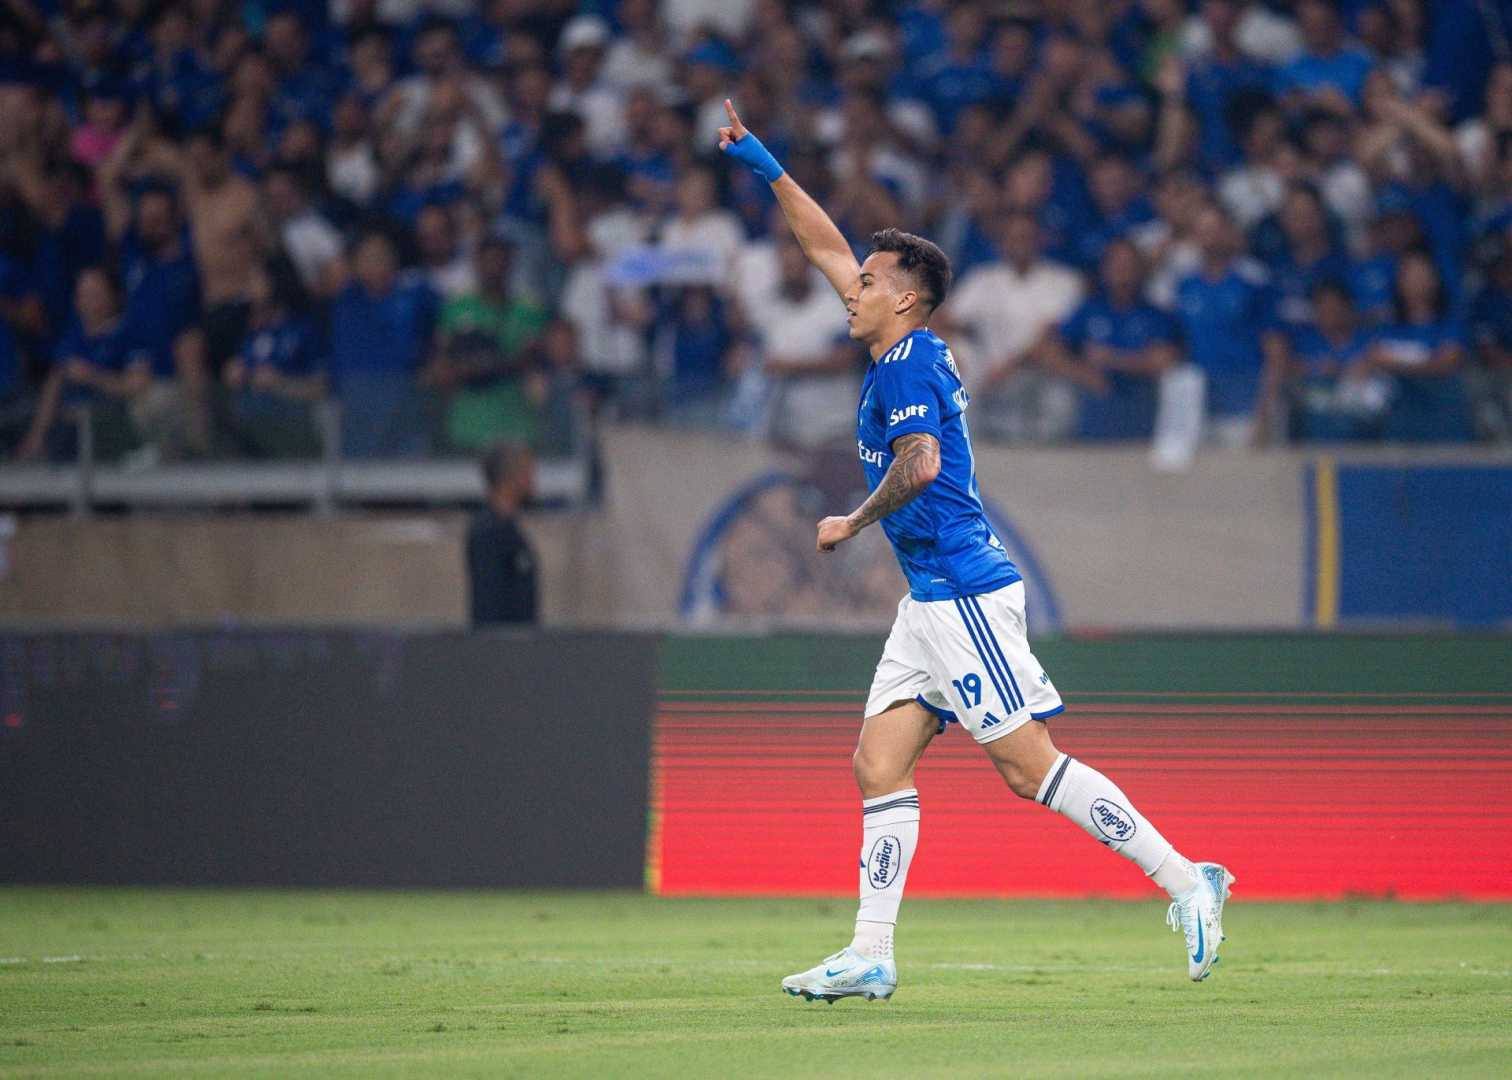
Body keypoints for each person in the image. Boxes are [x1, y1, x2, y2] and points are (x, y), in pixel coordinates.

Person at [718, 99, 1233, 1004]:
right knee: (877, 763)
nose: (853, 288)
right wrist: (763, 161)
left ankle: (1190, 882)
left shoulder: (912, 364)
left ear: (905, 298)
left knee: (1027, 768)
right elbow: (825, 245)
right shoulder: (893, 344)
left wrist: (849, 521)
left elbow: (918, 464)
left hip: (964, 591)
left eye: (870, 283)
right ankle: (871, 952)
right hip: (928, 603)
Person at [466, 442, 538, 626]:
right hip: (501, 649)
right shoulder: (487, 531)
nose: (532, 480)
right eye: (527, 473)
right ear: (509, 478)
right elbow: (488, 602)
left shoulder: (511, 529)